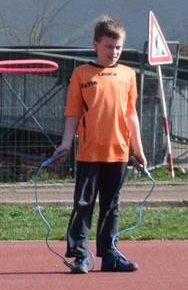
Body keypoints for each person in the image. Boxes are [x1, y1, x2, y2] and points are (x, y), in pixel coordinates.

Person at [50, 18, 145, 273]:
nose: (114, 52)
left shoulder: (128, 74)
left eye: (118, 47)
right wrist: (65, 144)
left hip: (118, 152)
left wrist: (138, 149)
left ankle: (110, 255)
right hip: (89, 152)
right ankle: (80, 255)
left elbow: (131, 113)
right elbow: (73, 113)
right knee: (84, 203)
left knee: (111, 205)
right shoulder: (82, 74)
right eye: (109, 47)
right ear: (96, 45)